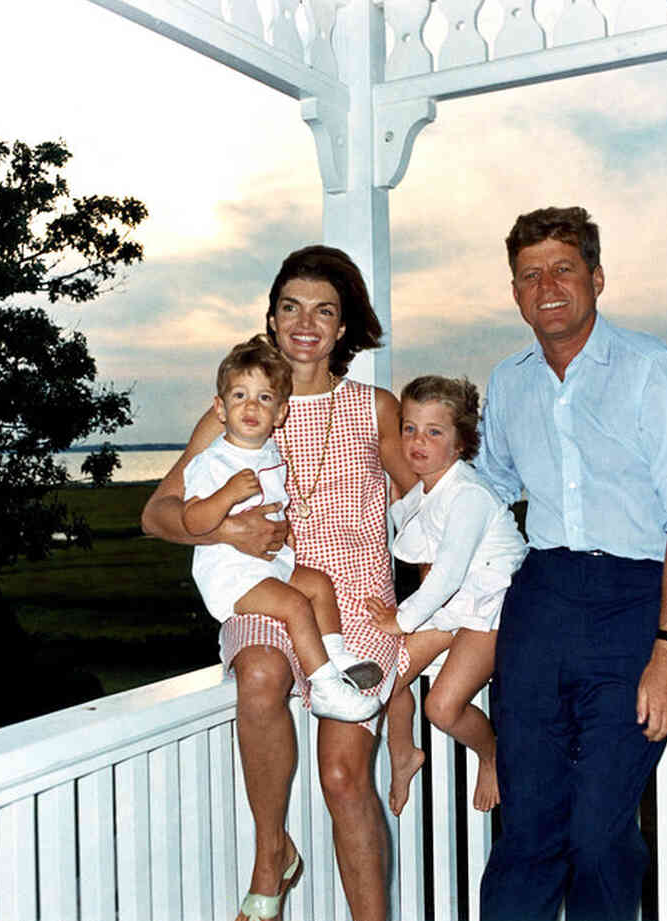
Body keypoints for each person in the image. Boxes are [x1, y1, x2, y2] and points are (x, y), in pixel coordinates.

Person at [141, 246, 415, 921]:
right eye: (290, 306)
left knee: (345, 777)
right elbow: (156, 515)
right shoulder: (239, 406)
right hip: (269, 586)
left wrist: (430, 613)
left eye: (324, 310)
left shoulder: (376, 407)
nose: (305, 322)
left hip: (355, 603)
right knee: (260, 672)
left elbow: (430, 509)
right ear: (271, 316)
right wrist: (227, 533)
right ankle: (271, 855)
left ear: (344, 327)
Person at [476, 207, 667, 921]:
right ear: (516, 292)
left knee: (598, 830)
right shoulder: (511, 380)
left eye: (563, 268)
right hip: (540, 603)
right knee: (526, 824)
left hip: (632, 605)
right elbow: (488, 494)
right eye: (529, 274)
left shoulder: (654, 371)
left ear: (597, 277)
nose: (546, 285)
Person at [182, 334, 382, 723]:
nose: (251, 406)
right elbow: (193, 522)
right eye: (239, 396)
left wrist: (283, 527)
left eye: (264, 398)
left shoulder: (269, 452)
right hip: (231, 576)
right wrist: (224, 496)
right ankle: (325, 689)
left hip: (268, 565)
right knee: (294, 604)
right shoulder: (213, 462)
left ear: (280, 413)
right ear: (219, 408)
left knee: (318, 584)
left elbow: (271, 505)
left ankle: (336, 657)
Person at [367, 375, 527, 816]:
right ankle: (405, 754)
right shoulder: (427, 490)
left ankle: (490, 752)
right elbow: (418, 543)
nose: (418, 441)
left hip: (489, 608)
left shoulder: (469, 494)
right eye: (410, 428)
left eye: (434, 432)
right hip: (453, 610)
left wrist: (399, 621)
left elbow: (447, 575)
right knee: (386, 677)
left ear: (460, 444)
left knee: (441, 707)